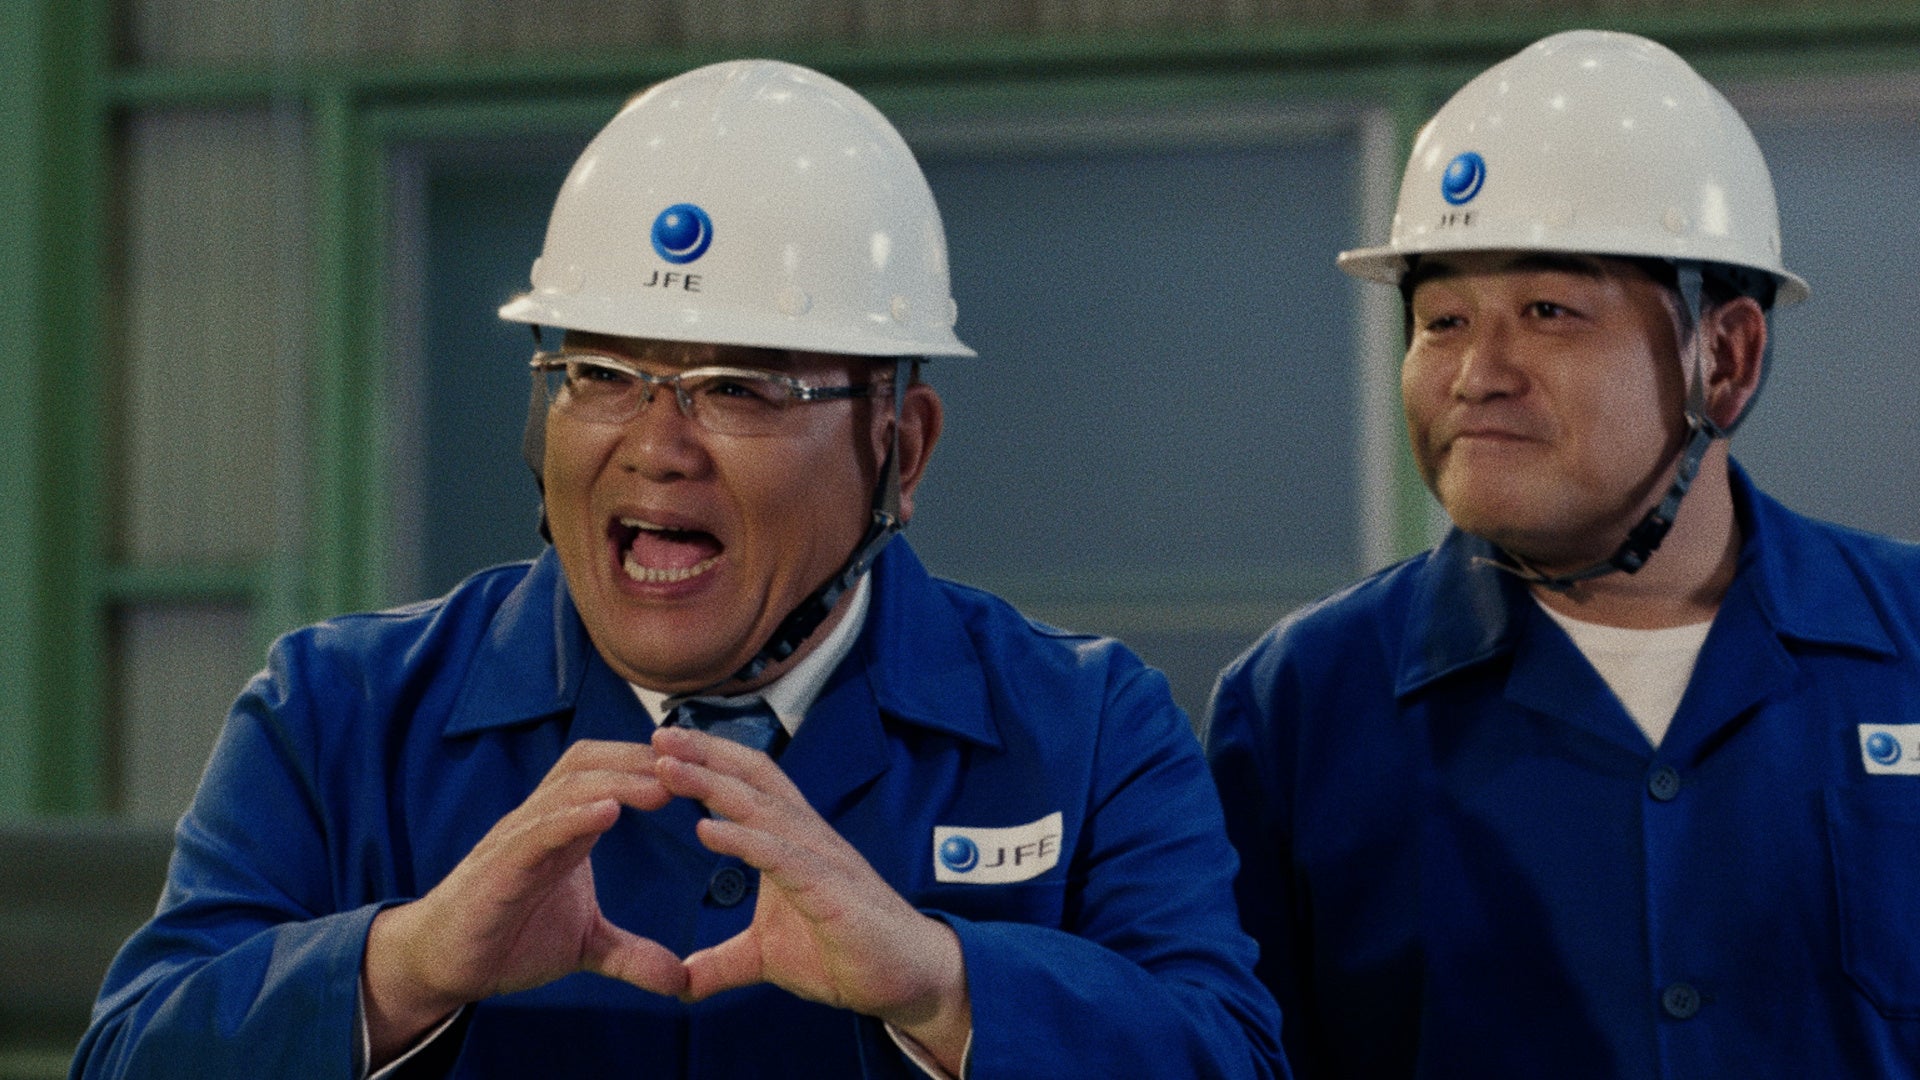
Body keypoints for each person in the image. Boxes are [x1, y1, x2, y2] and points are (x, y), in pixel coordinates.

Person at [75, 60, 1284, 1080]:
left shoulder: (1083, 731)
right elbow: (129, 1056)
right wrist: (403, 968)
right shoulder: (338, 716)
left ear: (900, 450)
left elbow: (1229, 1057)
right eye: (600, 376)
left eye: (738, 389)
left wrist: (943, 983)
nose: (656, 447)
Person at [1206, 29, 1920, 1079]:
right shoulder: (1303, 706)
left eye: (1548, 312)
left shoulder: (1906, 646)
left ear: (1726, 357)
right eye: (1442, 320)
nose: (1477, 374)